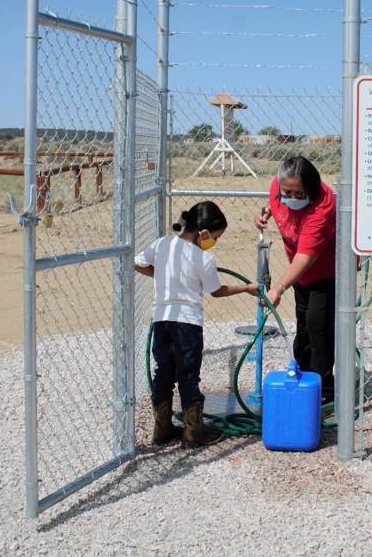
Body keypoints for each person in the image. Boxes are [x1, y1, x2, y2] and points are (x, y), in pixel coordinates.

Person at [135, 200, 259, 447]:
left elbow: (137, 263)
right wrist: (247, 288)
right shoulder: (204, 259)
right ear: (203, 233)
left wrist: (161, 274)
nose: (215, 242)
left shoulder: (162, 244)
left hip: (161, 320)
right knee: (188, 376)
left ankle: (162, 429)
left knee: (164, 373)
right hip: (188, 324)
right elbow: (216, 290)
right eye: (216, 237)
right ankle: (193, 432)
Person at [255, 155, 338, 402]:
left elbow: (305, 257)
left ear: (311, 188)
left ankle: (325, 391)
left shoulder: (323, 206)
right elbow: (275, 202)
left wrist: (279, 287)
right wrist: (265, 213)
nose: (291, 198)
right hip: (299, 273)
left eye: (298, 194)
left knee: (317, 325)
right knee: (303, 323)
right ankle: (302, 376)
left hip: (326, 270)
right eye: (286, 192)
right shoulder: (279, 186)